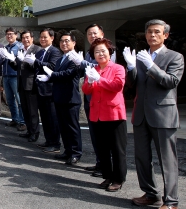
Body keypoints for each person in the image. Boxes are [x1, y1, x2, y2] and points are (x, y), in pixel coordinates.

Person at [124, 19, 184, 209]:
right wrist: (131, 67)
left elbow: (171, 81)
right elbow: (132, 85)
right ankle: (150, 193)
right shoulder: (141, 57)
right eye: (149, 32)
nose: (152, 35)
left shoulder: (175, 57)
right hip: (141, 114)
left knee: (167, 160)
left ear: (165, 35)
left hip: (163, 114)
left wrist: (152, 67)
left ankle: (171, 201)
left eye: (157, 32)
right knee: (142, 158)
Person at [67, 24, 116, 177]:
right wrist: (79, 64)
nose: (92, 36)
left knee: (104, 135)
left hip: (103, 99)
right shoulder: (89, 52)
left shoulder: (108, 50)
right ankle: (100, 162)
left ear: (102, 33)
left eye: (95, 33)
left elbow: (102, 68)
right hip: (90, 98)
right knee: (95, 134)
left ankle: (107, 167)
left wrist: (84, 63)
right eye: (89, 34)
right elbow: (84, 73)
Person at [82, 38, 127, 192]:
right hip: (97, 113)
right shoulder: (93, 69)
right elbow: (87, 90)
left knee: (117, 149)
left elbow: (117, 85)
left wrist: (99, 80)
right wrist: (89, 81)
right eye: (96, 52)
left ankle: (118, 178)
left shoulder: (118, 68)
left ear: (110, 53)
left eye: (103, 51)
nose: (100, 54)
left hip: (114, 113)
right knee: (102, 149)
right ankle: (107, 175)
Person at [37, 32, 82, 165]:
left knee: (72, 127)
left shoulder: (75, 58)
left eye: (67, 41)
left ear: (74, 43)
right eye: (62, 41)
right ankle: (68, 150)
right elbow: (59, 74)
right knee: (63, 127)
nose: (64, 43)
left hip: (70, 98)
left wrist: (52, 75)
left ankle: (76, 153)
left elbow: (69, 74)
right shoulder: (62, 58)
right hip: (59, 97)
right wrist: (50, 77)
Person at [26, 28, 62, 152]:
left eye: (45, 37)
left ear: (52, 38)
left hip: (50, 89)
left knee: (52, 117)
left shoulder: (55, 51)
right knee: (45, 118)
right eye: (41, 37)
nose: (42, 39)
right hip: (39, 89)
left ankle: (55, 143)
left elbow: (52, 66)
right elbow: (36, 66)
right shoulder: (40, 52)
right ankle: (48, 140)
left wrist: (36, 62)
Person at [10, 31, 42, 141]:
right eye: (23, 38)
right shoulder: (20, 50)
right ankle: (29, 131)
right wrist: (11, 60)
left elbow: (38, 68)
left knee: (33, 111)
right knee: (25, 110)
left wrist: (29, 61)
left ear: (32, 38)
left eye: (27, 37)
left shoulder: (37, 50)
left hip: (31, 84)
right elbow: (17, 67)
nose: (25, 40)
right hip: (21, 84)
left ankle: (35, 133)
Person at [0, 28, 26, 131]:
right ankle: (15, 119)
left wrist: (12, 58)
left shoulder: (20, 47)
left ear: (16, 35)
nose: (9, 36)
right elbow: (0, 62)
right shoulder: (5, 47)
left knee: (19, 100)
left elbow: (21, 61)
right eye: (7, 34)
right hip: (6, 76)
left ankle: (23, 121)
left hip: (15, 76)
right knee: (9, 99)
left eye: (11, 34)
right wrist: (2, 56)